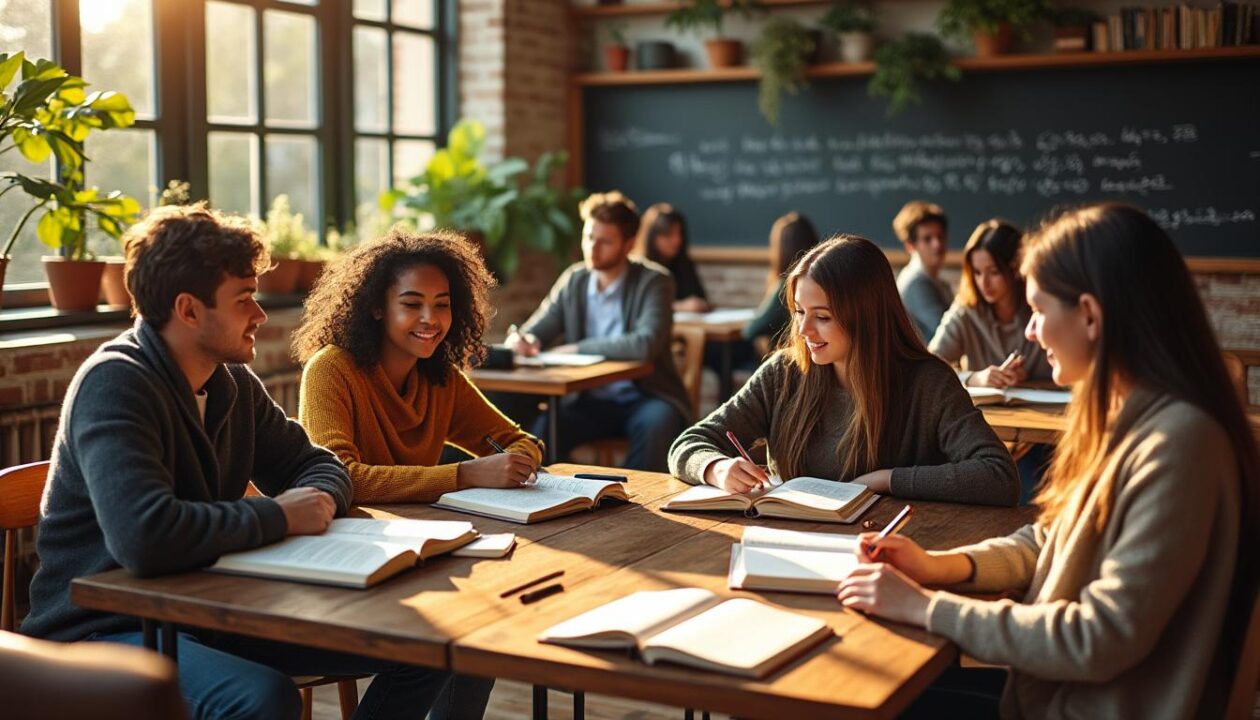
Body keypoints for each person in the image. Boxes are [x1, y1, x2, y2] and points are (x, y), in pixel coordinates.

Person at [21, 204, 457, 719]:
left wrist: (314, 500)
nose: (261, 314)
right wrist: (280, 515)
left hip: (211, 610)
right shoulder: (116, 384)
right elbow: (144, 537)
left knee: (424, 646)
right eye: (245, 299)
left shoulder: (230, 383)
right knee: (261, 697)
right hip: (104, 628)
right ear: (189, 310)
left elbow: (320, 466)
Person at [836, 203, 1259, 719]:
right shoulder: (1125, 418)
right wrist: (941, 566)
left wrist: (926, 607)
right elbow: (1052, 538)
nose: (1030, 332)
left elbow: (1099, 637)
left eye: (1038, 310)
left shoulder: (1180, 444)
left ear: (1089, 315)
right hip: (1058, 695)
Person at [668, 234, 1018, 507]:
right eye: (799, 312)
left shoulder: (928, 383)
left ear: (866, 317)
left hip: (885, 553)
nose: (804, 331)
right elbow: (688, 443)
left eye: (822, 317)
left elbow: (998, 476)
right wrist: (717, 468)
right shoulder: (783, 373)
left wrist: (884, 480)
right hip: (790, 543)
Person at [295, 228, 543, 504]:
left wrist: (519, 461)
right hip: (353, 536)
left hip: (424, 528)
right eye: (412, 304)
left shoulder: (441, 378)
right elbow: (341, 476)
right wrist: (464, 474)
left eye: (442, 305)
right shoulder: (330, 370)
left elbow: (522, 441)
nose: (431, 319)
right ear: (377, 307)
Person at [506, 191, 691, 471]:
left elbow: (644, 344)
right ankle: (548, 503)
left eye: (605, 241)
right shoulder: (574, 280)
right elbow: (537, 330)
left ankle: (635, 508)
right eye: (588, 237)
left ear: (629, 244)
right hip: (586, 398)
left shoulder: (655, 281)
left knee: (657, 423)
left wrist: (578, 348)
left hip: (646, 396)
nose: (592, 248)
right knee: (541, 432)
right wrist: (524, 340)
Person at [930, 219, 1051, 387]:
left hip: (1049, 411)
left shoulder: (1042, 310)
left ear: (1016, 270)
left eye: (993, 272)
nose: (983, 283)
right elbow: (928, 369)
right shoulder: (965, 311)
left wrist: (1028, 378)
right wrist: (973, 378)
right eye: (977, 273)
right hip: (985, 412)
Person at [742, 212, 821, 356]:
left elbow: (751, 329)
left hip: (789, 358)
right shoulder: (818, 280)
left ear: (781, 250)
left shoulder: (787, 285)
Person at [894, 200, 953, 340]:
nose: (937, 244)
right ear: (910, 246)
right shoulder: (916, 283)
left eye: (940, 236)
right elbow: (950, 334)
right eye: (927, 239)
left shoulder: (940, 282)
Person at [636, 203, 709, 313]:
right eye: (668, 234)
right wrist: (680, 306)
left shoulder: (683, 264)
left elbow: (701, 299)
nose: (677, 240)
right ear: (652, 237)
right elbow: (639, 307)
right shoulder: (639, 268)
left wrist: (700, 304)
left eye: (679, 234)